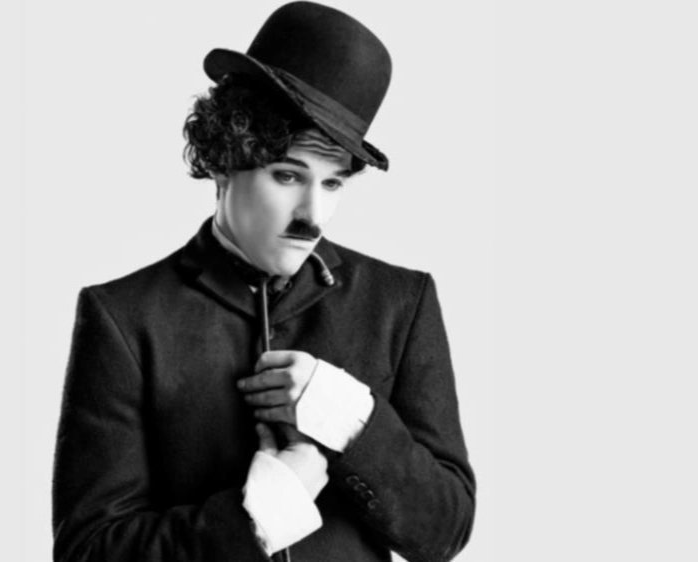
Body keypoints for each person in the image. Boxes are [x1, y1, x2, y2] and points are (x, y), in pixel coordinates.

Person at [52, 2, 475, 561]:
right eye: (288, 176)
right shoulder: (123, 318)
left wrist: (354, 422)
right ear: (223, 159)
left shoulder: (400, 302)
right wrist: (262, 514)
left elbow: (444, 533)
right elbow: (87, 553)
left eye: (333, 184)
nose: (313, 216)